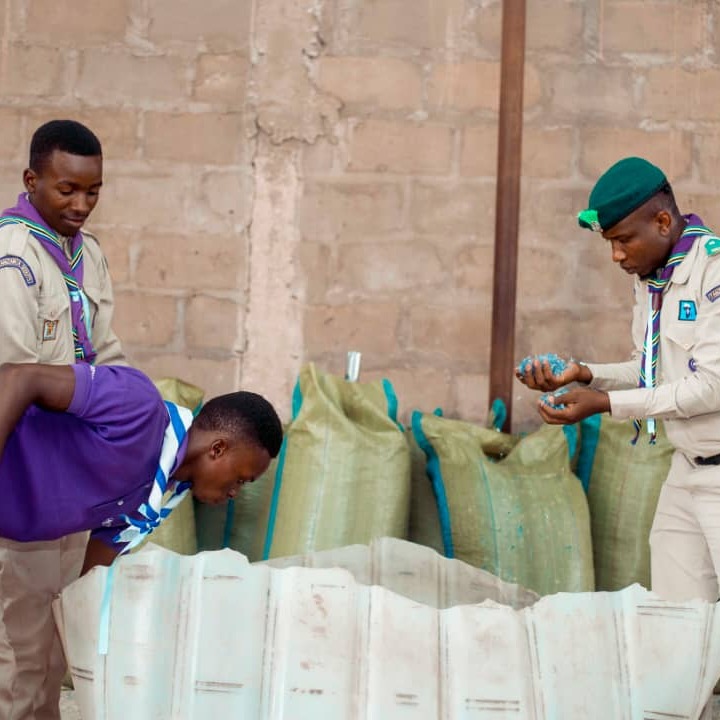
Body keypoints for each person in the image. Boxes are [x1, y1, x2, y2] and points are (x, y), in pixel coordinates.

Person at [516, 156, 720, 605]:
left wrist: (604, 405)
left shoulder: (713, 271)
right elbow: (651, 369)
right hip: (686, 470)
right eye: (610, 242)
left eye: (624, 240)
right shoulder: (654, 279)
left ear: (662, 221)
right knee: (679, 620)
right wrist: (583, 374)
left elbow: (710, 387)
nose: (616, 255)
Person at [0, 120, 125, 719]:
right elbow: (14, 377)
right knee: (17, 648)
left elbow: (107, 359)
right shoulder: (14, 257)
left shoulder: (87, 254)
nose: (81, 204)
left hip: (72, 477)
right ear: (32, 181)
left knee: (57, 640)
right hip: (22, 477)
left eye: (93, 190)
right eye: (66, 189)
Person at [0, 361, 282, 571]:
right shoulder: (137, 405)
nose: (235, 492)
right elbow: (20, 377)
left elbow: (94, 579)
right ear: (218, 449)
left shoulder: (148, 501)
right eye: (241, 479)